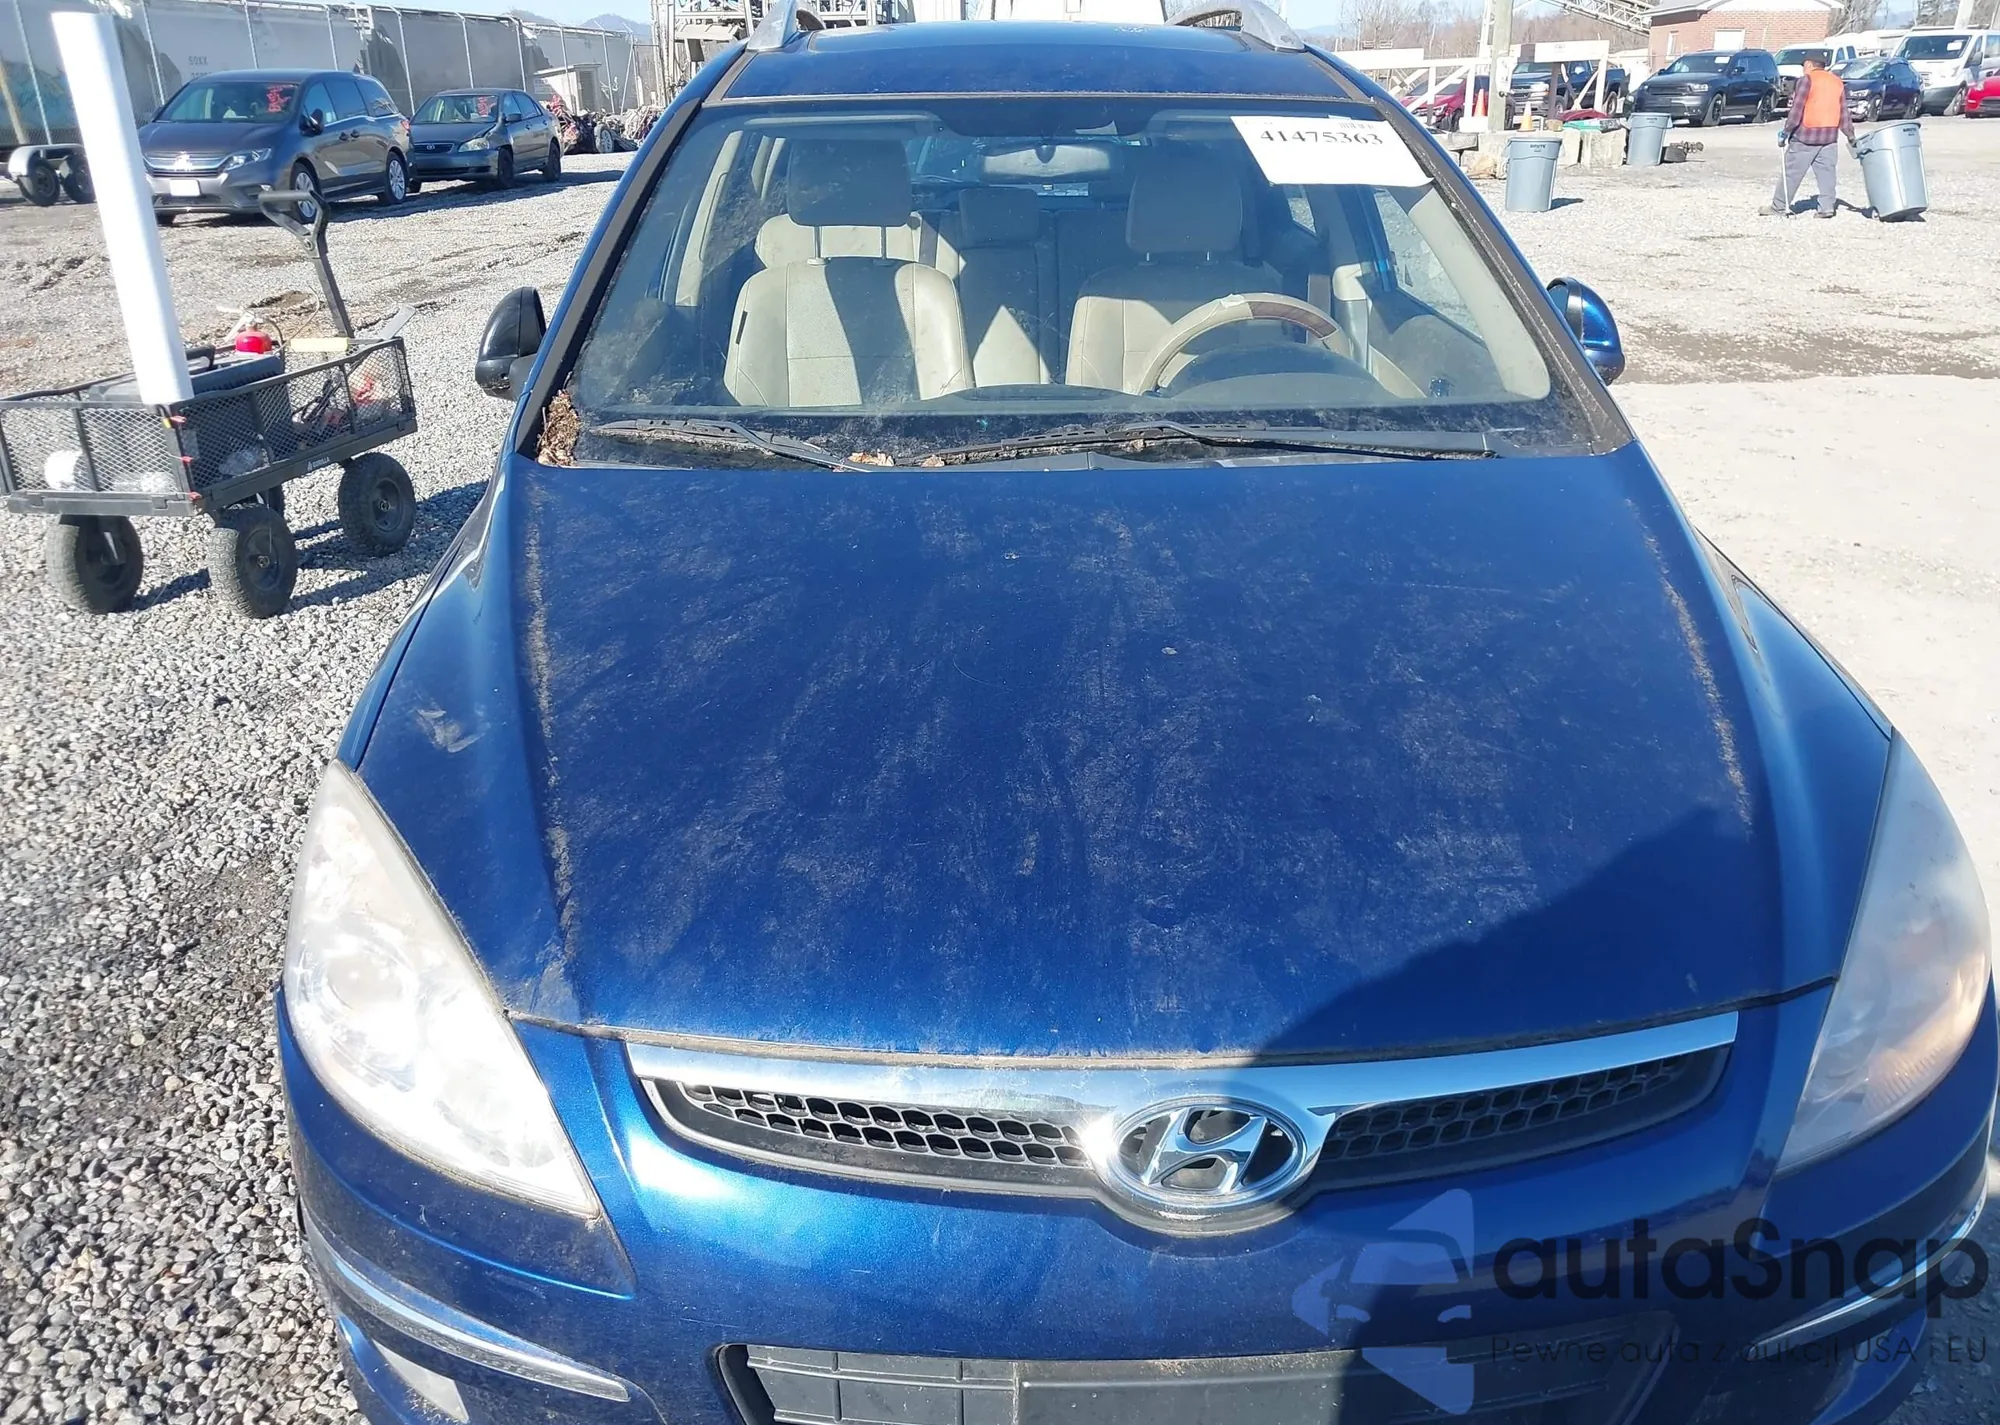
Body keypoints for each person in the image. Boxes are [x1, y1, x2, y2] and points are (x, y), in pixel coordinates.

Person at [1768, 55, 1858, 218]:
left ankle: (1778, 207)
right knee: (1827, 174)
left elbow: (1797, 110)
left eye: (1804, 65)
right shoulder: (1836, 81)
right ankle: (1826, 208)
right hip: (1829, 137)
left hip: (1805, 136)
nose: (1803, 69)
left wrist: (1786, 132)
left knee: (1791, 173)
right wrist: (1850, 135)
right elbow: (1844, 112)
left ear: (1809, 64)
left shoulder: (1806, 80)